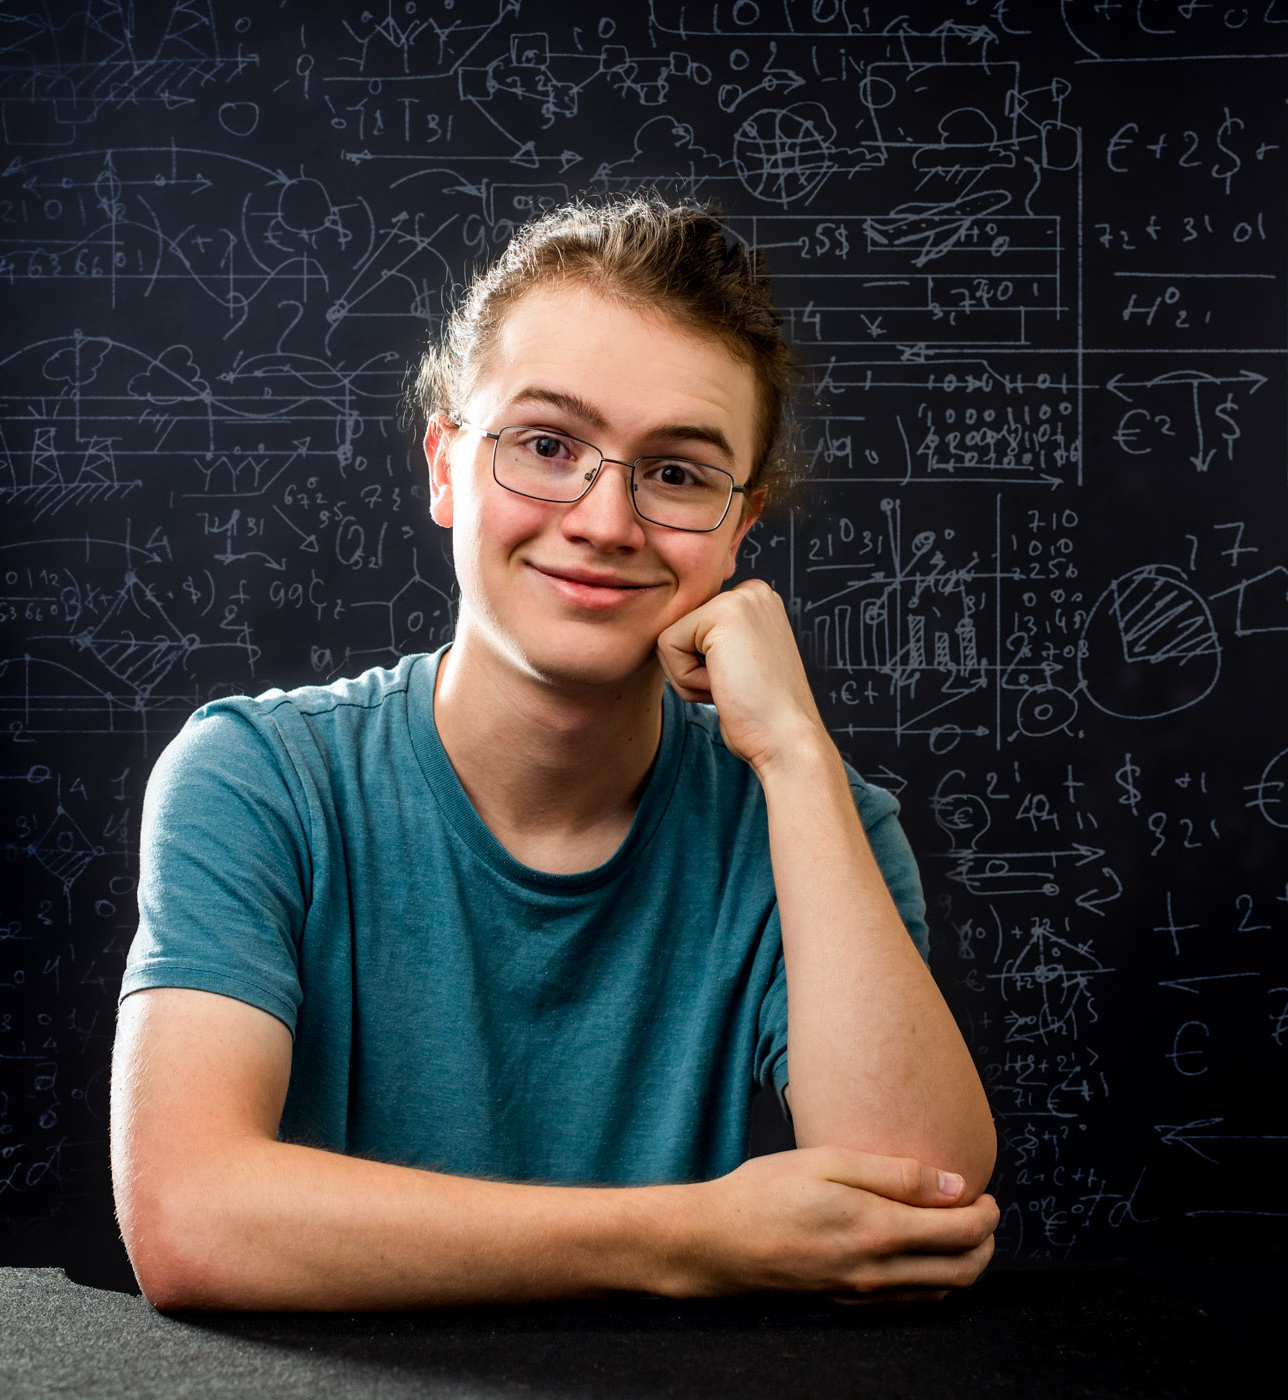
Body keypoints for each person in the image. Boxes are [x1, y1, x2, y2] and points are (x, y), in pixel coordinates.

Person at [111, 195, 997, 1310]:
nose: (606, 519)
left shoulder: (817, 819)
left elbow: (921, 1209)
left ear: (741, 526)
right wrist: (694, 1236)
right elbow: (189, 1216)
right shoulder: (257, 780)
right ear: (444, 464)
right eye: (545, 444)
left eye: (677, 472)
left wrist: (796, 752)